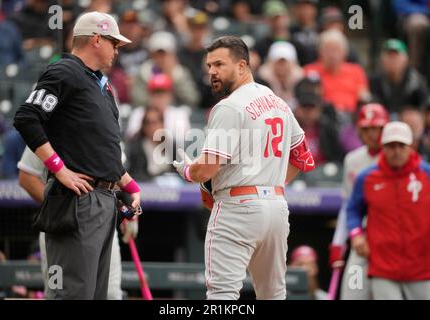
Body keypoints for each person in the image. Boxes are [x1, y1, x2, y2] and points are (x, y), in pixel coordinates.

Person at [173, 36, 315, 299]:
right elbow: (302, 159)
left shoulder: (229, 106)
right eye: (209, 66)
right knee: (273, 295)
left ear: (242, 66)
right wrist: (269, 183)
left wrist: (186, 170)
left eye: (219, 64)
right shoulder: (277, 101)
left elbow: (205, 170)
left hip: (237, 208)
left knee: (222, 296)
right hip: (276, 208)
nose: (212, 72)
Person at [13, 11, 141, 299]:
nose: (117, 50)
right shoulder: (64, 71)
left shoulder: (103, 85)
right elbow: (26, 117)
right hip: (76, 203)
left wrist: (130, 187)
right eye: (113, 43)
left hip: (104, 202)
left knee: (97, 295)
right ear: (96, 39)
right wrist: (59, 168)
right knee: (72, 294)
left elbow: (101, 149)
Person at [17, 146, 138, 299]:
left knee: (111, 294)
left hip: (103, 222)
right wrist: (61, 207)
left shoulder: (110, 128)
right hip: (60, 226)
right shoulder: (50, 125)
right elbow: (26, 176)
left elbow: (113, 179)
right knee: (60, 293)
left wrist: (125, 208)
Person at [347, 121, 430, 300]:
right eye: (391, 146)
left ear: (412, 146)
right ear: (382, 147)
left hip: (422, 266)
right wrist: (356, 234)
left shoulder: (427, 174)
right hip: (383, 265)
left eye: (401, 146)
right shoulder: (367, 177)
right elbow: (353, 209)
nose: (397, 151)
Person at [329, 103, 389, 300]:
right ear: (359, 131)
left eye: (377, 128)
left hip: (389, 240)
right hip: (360, 239)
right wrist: (339, 241)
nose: (372, 134)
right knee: (352, 293)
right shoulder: (352, 160)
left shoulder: (396, 158)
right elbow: (348, 206)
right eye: (367, 129)